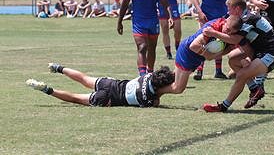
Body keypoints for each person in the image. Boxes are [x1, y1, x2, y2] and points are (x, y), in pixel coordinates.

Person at [203, 0, 274, 112]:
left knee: (241, 75)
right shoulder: (241, 18)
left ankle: (224, 106)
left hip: (271, 54)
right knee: (233, 60)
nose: (228, 12)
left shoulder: (247, 19)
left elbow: (235, 39)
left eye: (229, 8)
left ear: (237, 9)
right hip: (259, 52)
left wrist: (214, 34)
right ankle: (255, 88)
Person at [157, 15, 240, 95]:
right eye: (228, 29)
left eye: (231, 32)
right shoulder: (213, 28)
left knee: (173, 77)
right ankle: (155, 92)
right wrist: (208, 55)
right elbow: (194, 46)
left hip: (196, 58)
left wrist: (214, 54)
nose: (228, 33)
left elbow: (226, 50)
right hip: (187, 53)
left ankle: (154, 85)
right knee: (178, 88)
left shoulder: (228, 32)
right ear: (225, 22)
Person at [26, 63, 174, 107]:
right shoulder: (150, 99)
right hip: (109, 98)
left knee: (84, 78)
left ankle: (57, 67)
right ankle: (47, 89)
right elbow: (156, 101)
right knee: (76, 98)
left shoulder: (147, 76)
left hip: (111, 84)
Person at [117, 0, 173, 76]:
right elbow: (125, 3)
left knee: (152, 48)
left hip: (153, 21)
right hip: (139, 22)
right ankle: (142, 76)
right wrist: (120, 21)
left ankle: (150, 73)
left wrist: (170, 17)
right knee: (142, 47)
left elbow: (165, 4)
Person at [190, 0, 236, 80]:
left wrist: (235, 11)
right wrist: (199, 12)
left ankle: (218, 71)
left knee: (219, 42)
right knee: (203, 41)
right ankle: (199, 70)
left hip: (220, 16)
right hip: (206, 16)